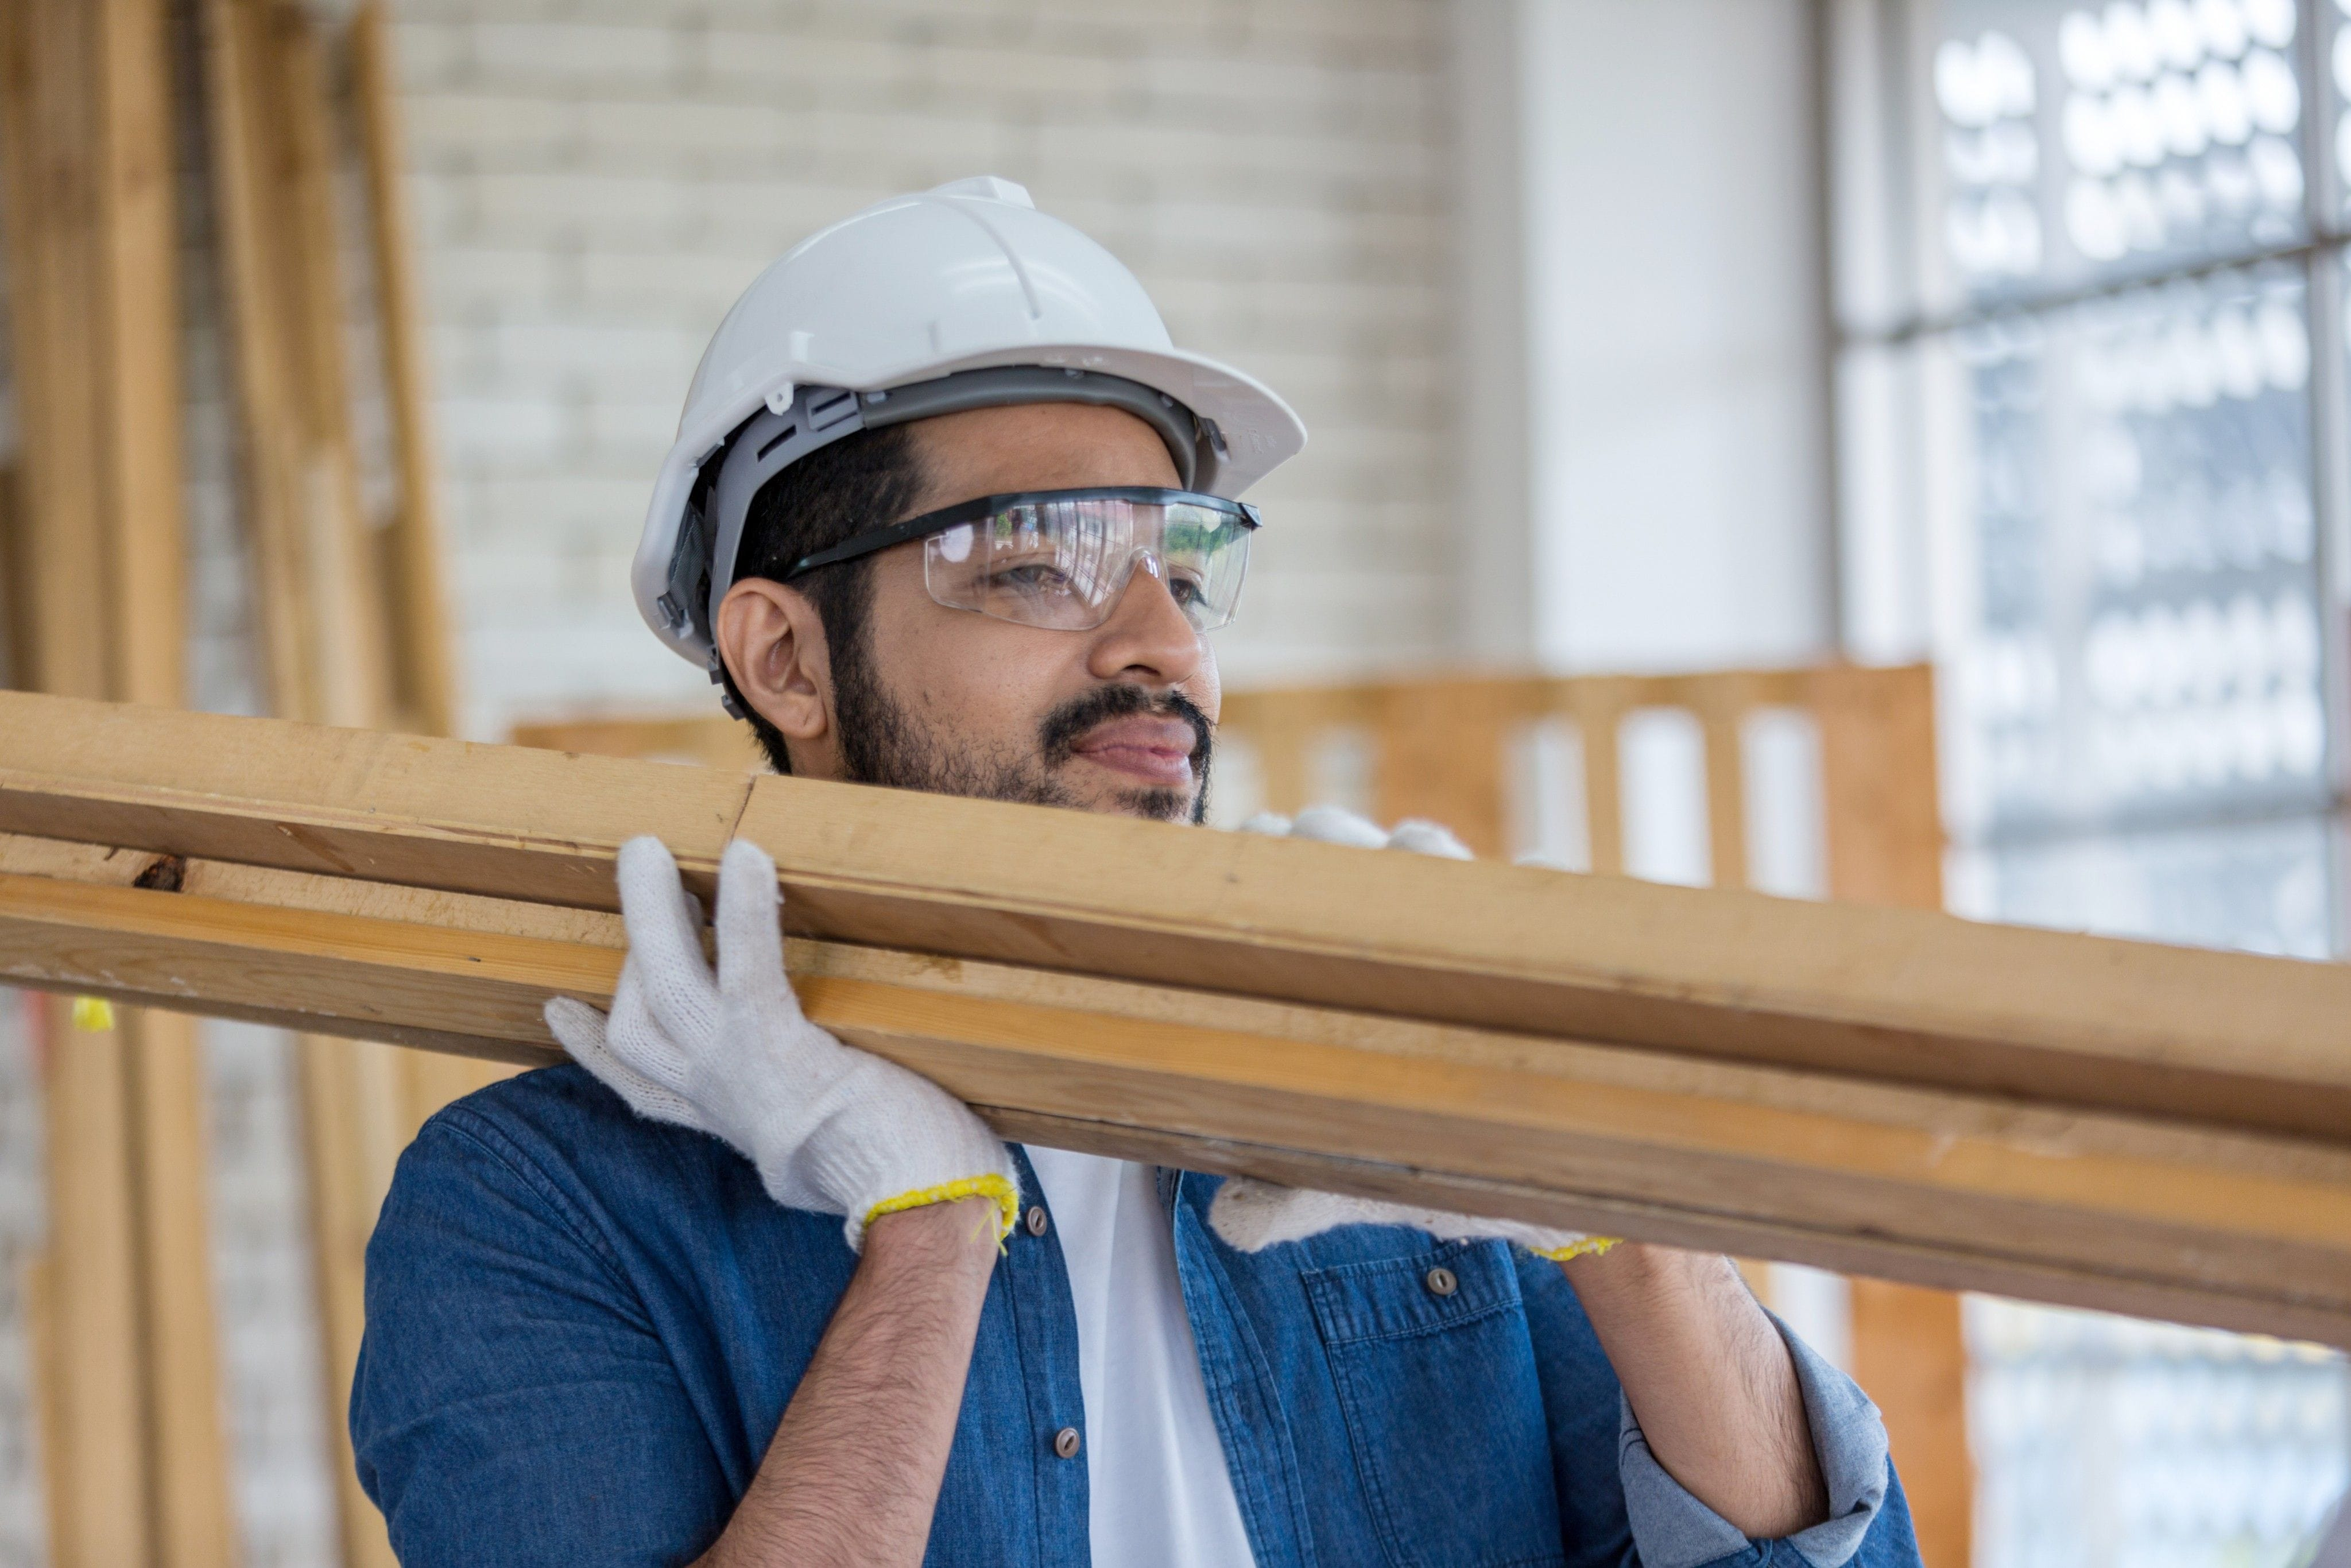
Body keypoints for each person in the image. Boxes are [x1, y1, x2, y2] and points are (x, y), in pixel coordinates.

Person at [351, 177, 1921, 1568]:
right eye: (1037, 560)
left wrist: (1594, 1181)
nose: (1164, 646)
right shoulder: (535, 1204)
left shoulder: (1362, 1110)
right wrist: (928, 1227)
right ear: (787, 655)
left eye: (1186, 565)